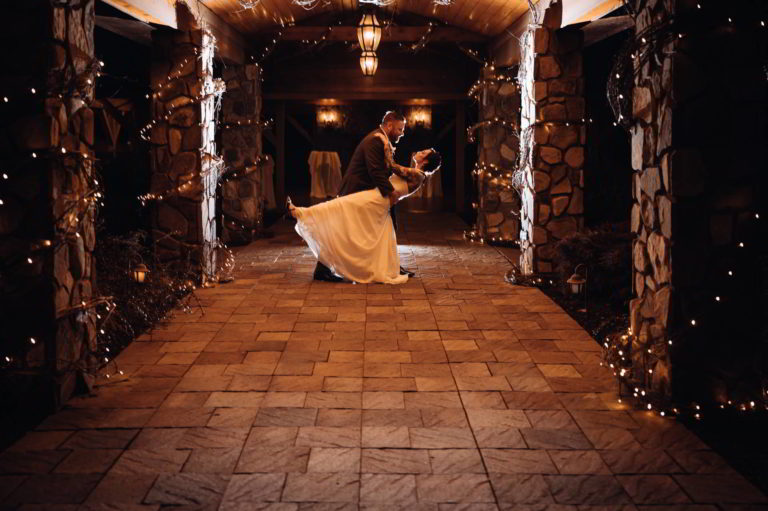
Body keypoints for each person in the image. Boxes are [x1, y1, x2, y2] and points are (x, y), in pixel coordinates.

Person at [287, 146, 442, 284]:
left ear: (426, 161)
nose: (418, 152)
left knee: (339, 206)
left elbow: (393, 167)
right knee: (339, 208)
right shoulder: (416, 173)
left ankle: (298, 212)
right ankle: (299, 213)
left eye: (423, 152)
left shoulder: (418, 175)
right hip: (376, 198)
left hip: (376, 200)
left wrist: (386, 151)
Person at [310, 111, 417, 282]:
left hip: (366, 192)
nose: (402, 133)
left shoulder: (381, 139)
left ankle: (392, 265)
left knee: (389, 224)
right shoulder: (375, 140)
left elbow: (384, 169)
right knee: (342, 232)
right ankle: (321, 270)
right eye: (399, 129)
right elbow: (374, 170)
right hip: (355, 191)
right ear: (389, 125)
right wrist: (391, 192)